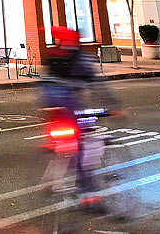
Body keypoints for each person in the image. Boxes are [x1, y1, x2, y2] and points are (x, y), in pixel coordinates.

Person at [40, 27, 118, 204]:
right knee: (80, 146)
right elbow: (97, 84)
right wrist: (113, 106)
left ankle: (52, 180)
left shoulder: (54, 56)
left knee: (63, 143)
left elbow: (45, 85)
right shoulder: (80, 58)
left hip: (54, 107)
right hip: (69, 107)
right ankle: (87, 191)